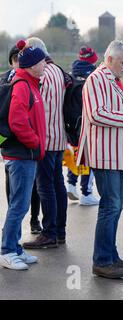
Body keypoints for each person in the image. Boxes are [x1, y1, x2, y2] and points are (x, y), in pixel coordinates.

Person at [76, 40, 123, 279]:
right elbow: (97, 114)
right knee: (110, 207)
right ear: (110, 59)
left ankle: (111, 256)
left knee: (114, 207)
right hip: (105, 155)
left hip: (115, 155)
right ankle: (103, 260)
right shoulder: (96, 79)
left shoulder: (114, 80)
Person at [0, 40, 47, 270]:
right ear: (30, 65)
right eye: (41, 61)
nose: (45, 64)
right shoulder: (22, 85)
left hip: (24, 154)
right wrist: (35, 143)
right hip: (21, 155)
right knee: (19, 205)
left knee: (20, 204)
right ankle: (7, 251)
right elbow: (17, 122)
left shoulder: (31, 83)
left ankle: (16, 249)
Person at [23, 37, 69, 250]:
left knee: (45, 186)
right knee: (57, 184)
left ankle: (48, 232)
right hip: (59, 136)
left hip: (44, 138)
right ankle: (60, 231)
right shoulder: (57, 70)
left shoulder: (40, 75)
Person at [65, 46, 100, 206]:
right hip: (87, 122)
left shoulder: (71, 75)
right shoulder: (94, 75)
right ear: (92, 59)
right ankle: (86, 192)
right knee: (88, 158)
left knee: (75, 153)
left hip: (70, 123)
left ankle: (71, 185)